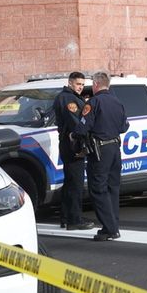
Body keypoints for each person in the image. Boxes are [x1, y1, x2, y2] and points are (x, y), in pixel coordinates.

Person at [73, 71, 129, 241]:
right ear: (108, 84)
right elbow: (124, 127)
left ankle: (109, 229)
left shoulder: (94, 102)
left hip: (100, 151)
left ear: (96, 85)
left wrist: (74, 136)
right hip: (115, 148)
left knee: (98, 188)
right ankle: (113, 224)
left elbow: (82, 128)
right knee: (113, 188)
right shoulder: (117, 102)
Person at [53, 72, 94, 230]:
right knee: (75, 183)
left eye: (83, 85)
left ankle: (66, 217)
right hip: (73, 144)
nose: (81, 87)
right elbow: (76, 123)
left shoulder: (68, 97)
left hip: (68, 143)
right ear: (70, 83)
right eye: (78, 84)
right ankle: (74, 220)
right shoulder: (68, 99)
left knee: (70, 182)